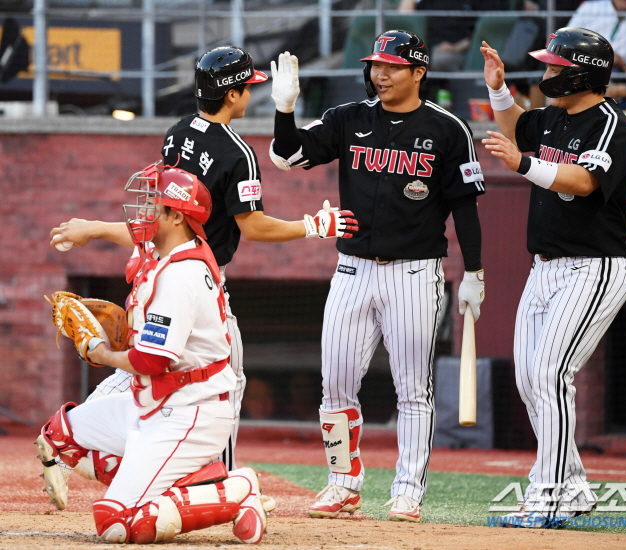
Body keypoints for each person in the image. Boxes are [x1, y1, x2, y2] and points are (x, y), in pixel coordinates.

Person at [45, 46, 358, 511]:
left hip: (155, 268)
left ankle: (66, 433)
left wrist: (93, 228)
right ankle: (218, 484)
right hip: (201, 277)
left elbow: (158, 218)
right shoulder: (238, 152)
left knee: (152, 362)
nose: (249, 93)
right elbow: (253, 227)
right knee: (219, 381)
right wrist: (312, 226)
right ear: (232, 95)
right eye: (246, 87)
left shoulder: (175, 134)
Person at [268, 30, 486, 522]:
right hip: (352, 269)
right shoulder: (350, 118)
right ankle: (342, 483)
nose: (379, 74)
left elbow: (465, 209)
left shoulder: (448, 129)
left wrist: (473, 271)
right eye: (375, 66)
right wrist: (284, 110)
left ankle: (407, 490)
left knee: (413, 390)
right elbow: (290, 156)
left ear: (418, 72)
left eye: (391, 66)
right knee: (336, 383)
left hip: (415, 272)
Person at [36, 165, 270, 544]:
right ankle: (171, 488)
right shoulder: (164, 252)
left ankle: (236, 489)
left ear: (176, 215)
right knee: (61, 436)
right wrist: (92, 228)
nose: (142, 214)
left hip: (190, 411)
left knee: (117, 524)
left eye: (153, 206)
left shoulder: (181, 275)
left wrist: (102, 353)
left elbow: (149, 361)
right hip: (152, 402)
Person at [480, 27, 626, 527]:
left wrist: (524, 164)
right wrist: (499, 89)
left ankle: (549, 495)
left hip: (595, 265)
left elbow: (583, 181)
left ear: (583, 72)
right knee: (529, 380)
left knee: (551, 375)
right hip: (546, 266)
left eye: (556, 66)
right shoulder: (555, 116)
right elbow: (516, 130)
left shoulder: (610, 124)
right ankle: (573, 487)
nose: (548, 72)